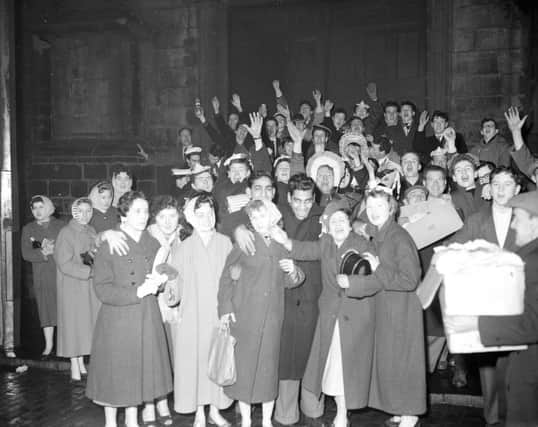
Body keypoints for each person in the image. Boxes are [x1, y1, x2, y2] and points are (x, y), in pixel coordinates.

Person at [271, 199, 376, 427]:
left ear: (350, 224)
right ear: (327, 226)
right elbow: (305, 250)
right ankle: (340, 411)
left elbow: (372, 274)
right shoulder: (326, 242)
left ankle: (342, 414)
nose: (338, 224)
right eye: (333, 221)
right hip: (330, 316)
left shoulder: (361, 243)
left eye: (342, 220)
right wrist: (284, 240)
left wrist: (365, 268)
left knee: (350, 367)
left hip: (356, 316)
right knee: (334, 367)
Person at [444, 189, 538, 426]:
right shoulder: (526, 255)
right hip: (518, 363)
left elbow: (532, 323)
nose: (513, 225)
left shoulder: (534, 262)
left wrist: (475, 322)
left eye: (518, 218)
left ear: (536, 224)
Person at [86, 191, 173, 427]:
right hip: (118, 319)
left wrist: (160, 282)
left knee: (138, 375)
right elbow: (102, 289)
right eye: (137, 211)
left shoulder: (152, 242)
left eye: (145, 211)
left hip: (146, 316)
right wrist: (136, 292)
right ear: (123, 215)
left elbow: (161, 271)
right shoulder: (111, 243)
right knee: (117, 375)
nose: (143, 216)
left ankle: (133, 421)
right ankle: (111, 423)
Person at [218, 199, 305, 427]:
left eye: (262, 216)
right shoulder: (245, 242)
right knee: (245, 370)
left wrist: (293, 271)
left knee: (268, 372)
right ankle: (246, 420)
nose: (258, 221)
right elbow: (226, 277)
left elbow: (291, 281)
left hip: (272, 319)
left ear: (273, 216)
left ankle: (266, 420)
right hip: (245, 316)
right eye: (254, 218)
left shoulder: (281, 244)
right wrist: (225, 309)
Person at [342, 189, 425, 427]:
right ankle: (400, 408)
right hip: (386, 306)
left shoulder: (399, 237)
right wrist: (360, 226)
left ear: (391, 209)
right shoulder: (378, 232)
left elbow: (411, 280)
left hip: (402, 309)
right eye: (370, 207)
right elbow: (360, 224)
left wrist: (378, 267)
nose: (375, 212)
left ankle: (410, 413)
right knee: (391, 360)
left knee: (404, 360)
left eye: (380, 207)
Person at [167, 193, 233, 427]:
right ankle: (199, 413)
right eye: (200, 214)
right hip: (193, 317)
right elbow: (175, 288)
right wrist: (169, 288)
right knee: (195, 365)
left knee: (217, 362)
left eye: (210, 213)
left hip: (218, 315)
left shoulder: (225, 243)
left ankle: (215, 410)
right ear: (192, 218)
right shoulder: (184, 248)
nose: (206, 219)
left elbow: (233, 279)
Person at [54, 197, 100, 381]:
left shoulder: (91, 230)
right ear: (74, 212)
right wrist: (88, 271)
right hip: (72, 285)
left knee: (85, 324)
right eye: (80, 211)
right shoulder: (66, 233)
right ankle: (74, 362)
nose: (85, 215)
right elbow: (63, 263)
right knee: (74, 325)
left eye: (88, 211)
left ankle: (81, 361)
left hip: (88, 286)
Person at [21, 195, 64, 358]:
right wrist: (42, 253)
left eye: (41, 207)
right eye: (34, 208)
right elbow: (26, 253)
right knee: (45, 310)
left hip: (60, 273)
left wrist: (55, 249)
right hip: (42, 275)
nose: (38, 211)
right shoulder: (28, 229)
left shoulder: (61, 225)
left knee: (62, 308)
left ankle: (63, 345)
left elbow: (67, 246)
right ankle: (48, 345)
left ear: (48, 207)